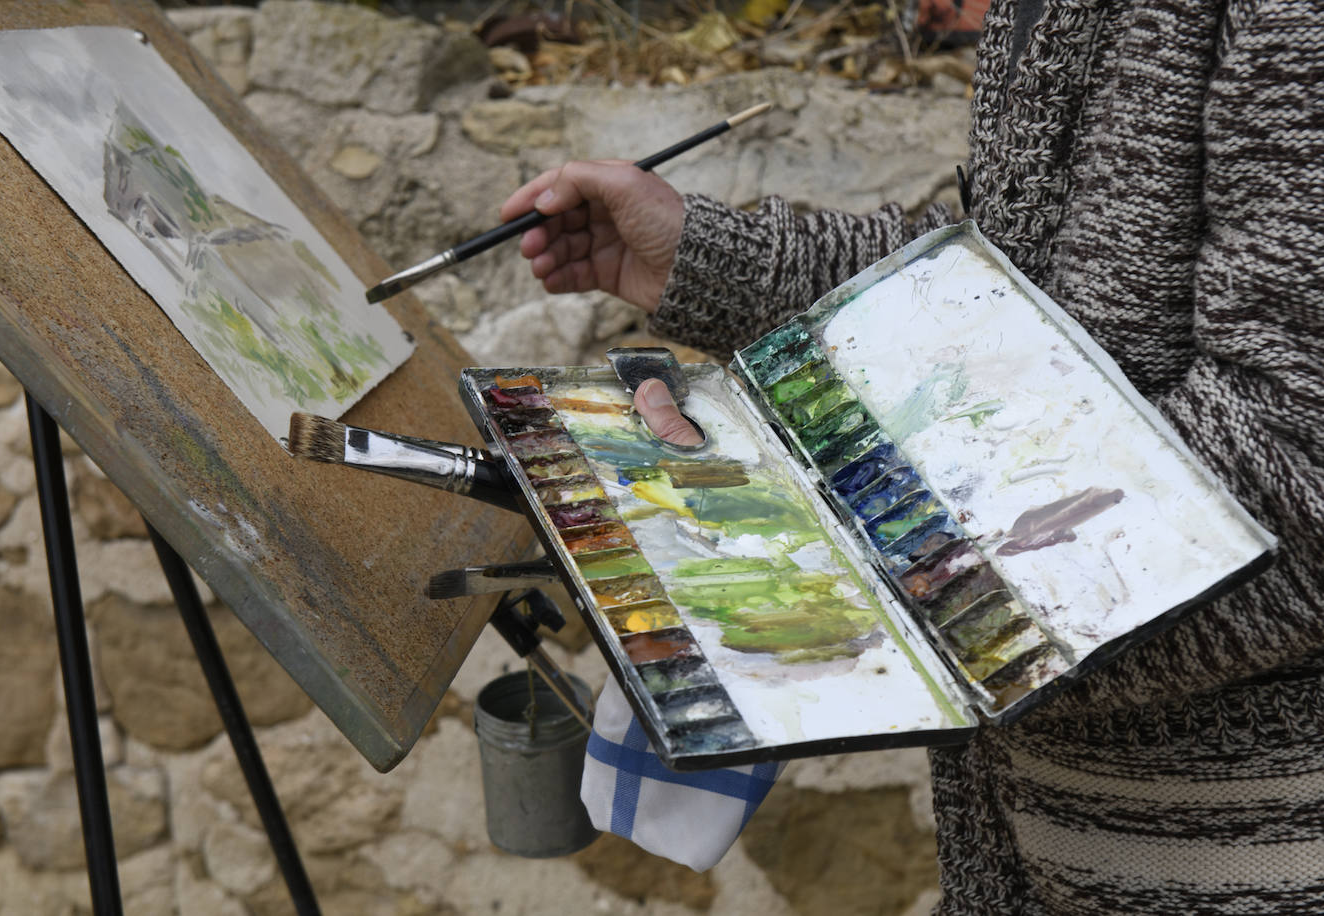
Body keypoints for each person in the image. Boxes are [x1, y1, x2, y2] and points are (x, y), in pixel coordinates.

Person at [502, 0, 1324, 910]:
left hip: (1238, 855)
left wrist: (818, 563)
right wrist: (711, 261)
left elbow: (1297, 464)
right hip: (1034, 829)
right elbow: (1003, 299)